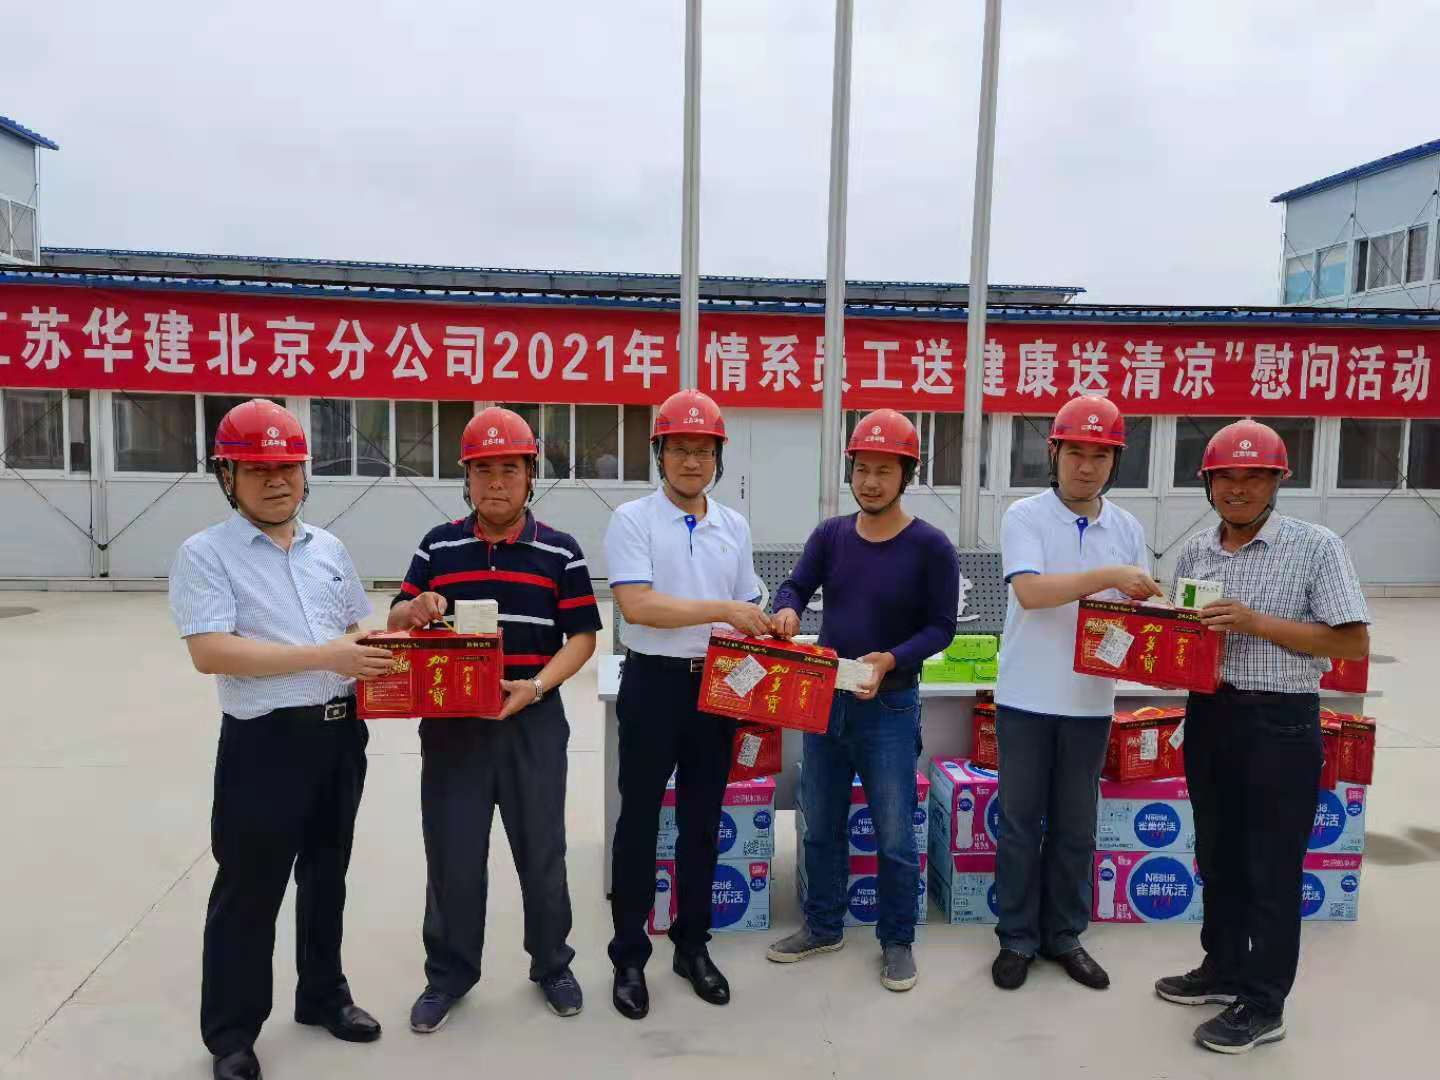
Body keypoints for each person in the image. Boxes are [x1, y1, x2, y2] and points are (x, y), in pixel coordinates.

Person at [169, 399, 390, 1080]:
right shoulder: (206, 554)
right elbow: (211, 651)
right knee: (250, 888)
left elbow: (351, 633)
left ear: (305, 473)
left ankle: (323, 995)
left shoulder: (329, 549)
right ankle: (232, 1034)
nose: (276, 481)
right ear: (227, 476)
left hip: (340, 737)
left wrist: (396, 628)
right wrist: (327, 656)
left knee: (327, 875)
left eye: (288, 467)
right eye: (258, 469)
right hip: (265, 744)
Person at [1154, 419, 1369, 1054]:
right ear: (1208, 483)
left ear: (1278, 482)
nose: (1239, 489)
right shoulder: (1196, 552)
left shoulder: (1316, 547)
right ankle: (1222, 966)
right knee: (1216, 853)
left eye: (1254, 477)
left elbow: (1352, 641)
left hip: (1280, 721)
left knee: (1271, 867)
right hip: (1209, 714)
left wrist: (1255, 623)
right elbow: (1188, 637)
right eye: (1226, 476)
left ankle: (1264, 1002)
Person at [391, 406, 600, 1033]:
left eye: (510, 469)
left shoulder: (560, 551)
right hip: (454, 723)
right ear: (467, 478)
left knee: (542, 852)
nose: (497, 483)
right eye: (483, 470)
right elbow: (398, 615)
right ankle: (448, 975)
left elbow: (583, 637)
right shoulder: (438, 545)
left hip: (533, 720)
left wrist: (535, 687)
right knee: (452, 855)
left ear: (530, 474)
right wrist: (414, 608)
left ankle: (552, 964)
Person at [764, 409, 959, 991]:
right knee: (820, 824)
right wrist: (788, 608)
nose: (870, 482)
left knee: (894, 834)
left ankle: (897, 941)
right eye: (862, 469)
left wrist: (890, 659)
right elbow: (796, 583)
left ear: (907, 475)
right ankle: (823, 925)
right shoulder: (831, 535)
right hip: (825, 700)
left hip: (890, 708)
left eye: (884, 471)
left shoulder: (931, 546)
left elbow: (941, 628)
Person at [603, 388, 772, 1020]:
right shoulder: (633, 520)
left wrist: (766, 620)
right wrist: (725, 610)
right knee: (640, 821)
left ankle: (692, 944)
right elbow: (638, 605)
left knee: (703, 821)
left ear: (718, 458)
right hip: (653, 684)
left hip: (718, 686)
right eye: (680, 449)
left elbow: (747, 600)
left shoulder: (734, 526)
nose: (692, 461)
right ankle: (628, 956)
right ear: (660, 454)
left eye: (704, 450)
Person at [991, 396, 1160, 993]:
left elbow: (1134, 617)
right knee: (1019, 824)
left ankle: (1064, 936)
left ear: (1115, 462)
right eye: (1076, 453)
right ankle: (1016, 938)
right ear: (1054, 452)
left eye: (1100, 456)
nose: (1086, 467)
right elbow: (1032, 593)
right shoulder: (1025, 516)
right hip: (1026, 699)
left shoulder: (1127, 528)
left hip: (1090, 702)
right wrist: (1111, 576)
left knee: (1075, 828)